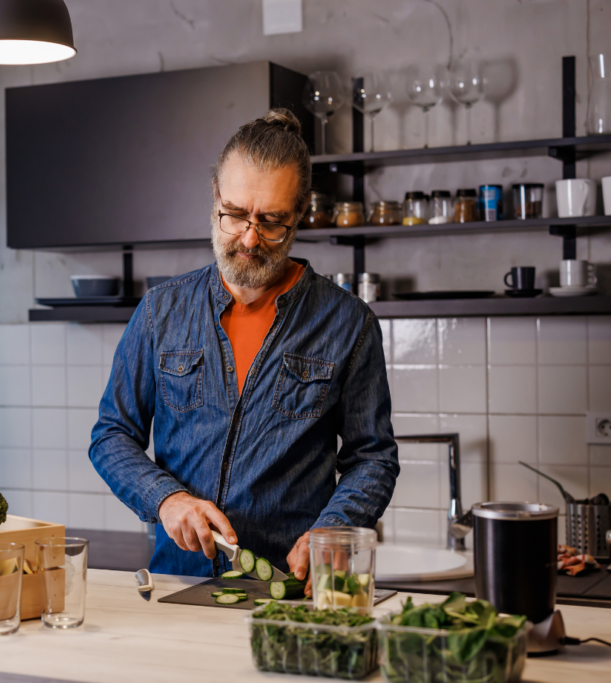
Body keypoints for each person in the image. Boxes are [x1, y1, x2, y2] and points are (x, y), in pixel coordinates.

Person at [89, 109, 399, 587]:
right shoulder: (159, 312)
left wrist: (332, 531)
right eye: (234, 215)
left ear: (298, 215)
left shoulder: (349, 323)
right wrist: (166, 499)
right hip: (177, 586)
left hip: (289, 591)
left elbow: (372, 458)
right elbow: (111, 435)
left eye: (272, 221)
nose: (250, 238)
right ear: (215, 195)